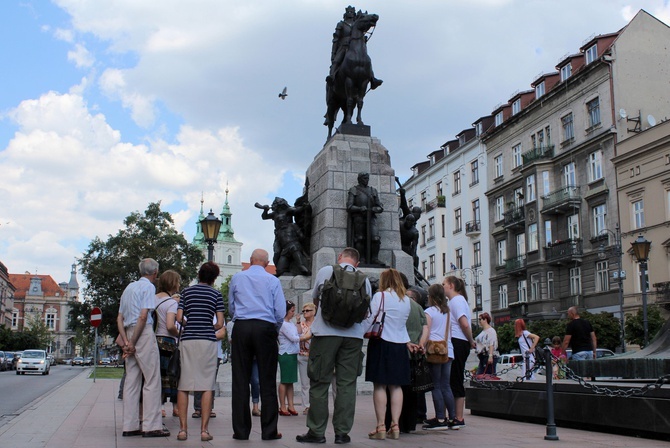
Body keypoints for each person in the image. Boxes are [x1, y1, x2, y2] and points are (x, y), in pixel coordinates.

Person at [296, 247, 372, 445]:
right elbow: (366, 312)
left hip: (326, 335)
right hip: (353, 337)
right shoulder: (364, 279)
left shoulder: (326, 271)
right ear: (357, 263)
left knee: (319, 382)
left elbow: (315, 300)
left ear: (340, 257)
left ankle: (317, 431)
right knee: (346, 385)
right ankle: (342, 432)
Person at [229, 249, 285, 441]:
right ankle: (269, 431)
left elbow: (231, 306)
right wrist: (273, 330)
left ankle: (241, 431)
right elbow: (280, 311)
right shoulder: (273, 280)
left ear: (251, 261)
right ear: (267, 262)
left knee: (240, 380)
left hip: (242, 326)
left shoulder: (237, 277)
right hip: (265, 326)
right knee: (267, 380)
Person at [116, 258, 169, 438]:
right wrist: (134, 342)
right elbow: (143, 315)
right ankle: (151, 425)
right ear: (155, 272)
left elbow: (119, 318)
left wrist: (126, 342)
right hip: (143, 333)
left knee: (132, 380)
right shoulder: (149, 288)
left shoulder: (129, 288)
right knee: (152, 379)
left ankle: (129, 425)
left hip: (128, 332)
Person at [175, 261, 225, 442]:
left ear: (199, 274)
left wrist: (190, 325)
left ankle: (182, 430)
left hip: (188, 340)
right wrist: (207, 327)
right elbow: (219, 323)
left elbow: (179, 317)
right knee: (206, 385)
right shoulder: (216, 294)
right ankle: (204, 431)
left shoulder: (186, 292)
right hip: (207, 341)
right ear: (214, 277)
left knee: (183, 384)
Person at [364, 269, 412, 440]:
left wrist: (361, 331)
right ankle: (395, 424)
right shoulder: (406, 300)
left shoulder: (381, 296)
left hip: (382, 342)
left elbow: (370, 319)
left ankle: (380, 425)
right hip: (400, 344)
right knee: (397, 386)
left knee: (380, 385)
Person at [443, 275, 475, 430]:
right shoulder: (455, 301)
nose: (442, 287)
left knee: (455, 377)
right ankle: (454, 415)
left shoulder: (456, 301)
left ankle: (459, 417)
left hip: (458, 341)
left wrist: (470, 340)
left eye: (444, 284)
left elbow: (464, 323)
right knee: (452, 378)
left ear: (451, 285)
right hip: (457, 340)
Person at [422, 284, 455, 430]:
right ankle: (453, 419)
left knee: (436, 385)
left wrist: (422, 345)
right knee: (446, 385)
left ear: (431, 296)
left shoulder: (429, 312)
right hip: (448, 350)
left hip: (434, 351)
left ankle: (440, 418)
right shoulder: (447, 312)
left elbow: (427, 331)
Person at [326, 5, 382, 88]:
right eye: (348, 12)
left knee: (367, 60)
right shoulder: (341, 24)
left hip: (357, 46)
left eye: (352, 12)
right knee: (337, 60)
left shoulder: (357, 23)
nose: (350, 14)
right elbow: (336, 39)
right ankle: (332, 76)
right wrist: (333, 53)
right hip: (344, 46)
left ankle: (372, 79)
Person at [259, 197, 311, 276]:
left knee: (294, 248)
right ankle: (279, 270)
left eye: (276, 203)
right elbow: (264, 217)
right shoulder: (274, 214)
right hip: (279, 236)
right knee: (276, 253)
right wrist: (265, 210)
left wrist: (304, 206)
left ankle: (301, 267)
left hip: (289, 236)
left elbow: (297, 210)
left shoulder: (288, 211)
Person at [154, 270, 181, 418]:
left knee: (155, 376)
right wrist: (179, 333)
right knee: (168, 376)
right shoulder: (171, 303)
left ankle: (157, 406)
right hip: (166, 342)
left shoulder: (152, 299)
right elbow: (171, 325)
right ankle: (167, 407)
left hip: (152, 341)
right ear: (173, 283)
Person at [347, 172, 384, 265]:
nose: (366, 180)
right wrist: (360, 208)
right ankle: (361, 258)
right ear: (359, 179)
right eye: (364, 178)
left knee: (375, 238)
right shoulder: (354, 190)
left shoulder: (373, 190)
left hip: (371, 217)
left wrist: (375, 209)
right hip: (359, 217)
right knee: (360, 238)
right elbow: (349, 206)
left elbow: (380, 206)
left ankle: (374, 258)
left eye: (367, 178)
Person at [192, 316, 225, 419]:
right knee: (198, 379)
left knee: (211, 381)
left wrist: (205, 336)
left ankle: (209, 408)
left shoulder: (217, 317)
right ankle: (198, 408)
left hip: (215, 353)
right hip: (199, 351)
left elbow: (222, 334)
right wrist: (210, 335)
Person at [278, 300, 301, 416]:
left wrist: (298, 322)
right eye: (292, 311)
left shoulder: (291, 323)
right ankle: (282, 406)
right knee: (284, 380)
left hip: (292, 353)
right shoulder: (282, 324)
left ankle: (291, 405)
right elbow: (294, 338)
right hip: (286, 354)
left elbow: (299, 332)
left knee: (290, 381)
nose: (293, 313)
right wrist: (307, 337)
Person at [297, 302, 316, 415]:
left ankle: (316, 405)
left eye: (308, 310)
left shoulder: (318, 324)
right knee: (305, 383)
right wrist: (298, 322)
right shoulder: (302, 324)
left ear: (314, 311)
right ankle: (307, 406)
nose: (305, 312)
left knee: (316, 382)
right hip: (303, 355)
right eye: (304, 311)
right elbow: (298, 335)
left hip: (316, 356)